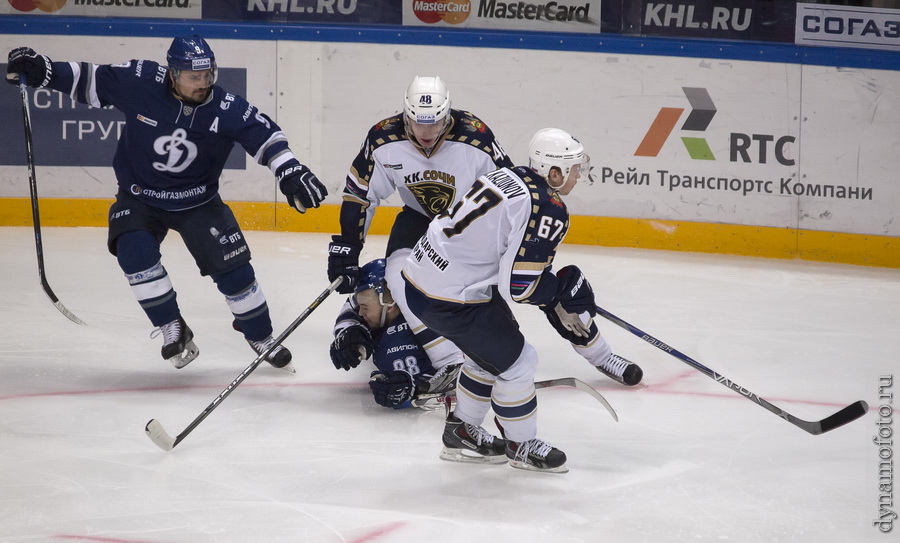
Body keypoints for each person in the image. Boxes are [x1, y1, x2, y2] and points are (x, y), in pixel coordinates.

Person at [5, 36, 327, 371]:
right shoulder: (140, 81)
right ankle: (173, 325)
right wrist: (42, 69)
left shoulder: (226, 107)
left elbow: (265, 136)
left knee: (235, 272)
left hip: (199, 202)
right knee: (133, 253)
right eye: (194, 76)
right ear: (172, 73)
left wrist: (290, 170)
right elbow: (89, 79)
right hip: (139, 197)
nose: (203, 83)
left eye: (208, 75)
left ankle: (260, 335)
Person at [402, 128, 643, 473]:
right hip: (451, 295)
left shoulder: (507, 174)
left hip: (424, 278)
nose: (579, 174)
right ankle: (520, 444)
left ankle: (461, 431)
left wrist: (554, 291)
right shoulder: (549, 207)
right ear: (554, 173)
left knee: (487, 356)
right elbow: (520, 286)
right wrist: (558, 292)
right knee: (519, 364)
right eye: (574, 168)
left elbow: (507, 263)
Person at [325, 75, 513, 376]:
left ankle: (496, 345)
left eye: (435, 124)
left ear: (447, 115)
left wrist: (514, 243)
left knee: (479, 293)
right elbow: (360, 194)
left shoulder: (475, 136)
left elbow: (511, 190)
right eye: (418, 123)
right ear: (406, 116)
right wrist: (348, 245)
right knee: (398, 276)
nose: (426, 132)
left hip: (469, 225)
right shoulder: (383, 138)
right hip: (418, 218)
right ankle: (448, 363)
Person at [330, 259, 460, 409]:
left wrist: (413, 388)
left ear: (390, 301)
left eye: (364, 307)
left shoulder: (422, 325)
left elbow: (457, 376)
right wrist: (350, 331)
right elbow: (350, 307)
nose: (360, 313)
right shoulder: (383, 307)